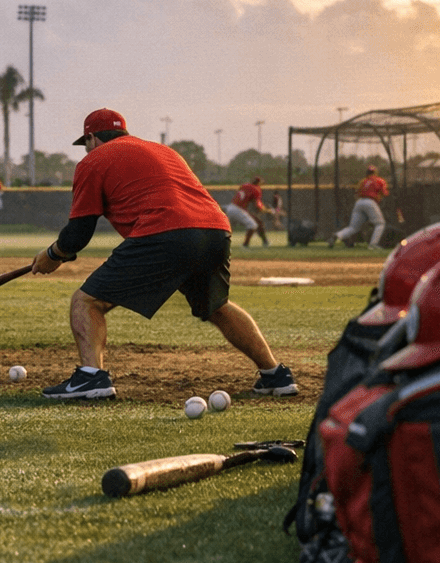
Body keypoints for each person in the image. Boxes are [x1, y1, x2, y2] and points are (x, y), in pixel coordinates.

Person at [29, 109, 298, 401]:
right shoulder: (164, 151)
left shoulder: (93, 160)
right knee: (217, 306)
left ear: (92, 137)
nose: (86, 149)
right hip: (215, 230)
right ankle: (276, 375)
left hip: (165, 232)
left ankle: (91, 378)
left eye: (86, 142)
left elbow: (79, 233)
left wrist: (53, 255)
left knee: (87, 301)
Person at [331, 164, 390, 249]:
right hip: (370, 202)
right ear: (375, 172)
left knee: (353, 227)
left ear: (367, 173)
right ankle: (373, 245)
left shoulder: (363, 181)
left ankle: (337, 236)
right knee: (380, 223)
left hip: (359, 202)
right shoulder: (380, 180)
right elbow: (385, 193)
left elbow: (357, 193)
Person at [225, 175, 270, 248]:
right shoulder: (256, 189)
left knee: (225, 228)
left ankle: (265, 242)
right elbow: (258, 205)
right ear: (259, 183)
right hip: (238, 209)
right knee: (253, 225)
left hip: (231, 207)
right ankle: (245, 245)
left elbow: (244, 197)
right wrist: (267, 210)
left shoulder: (245, 185)